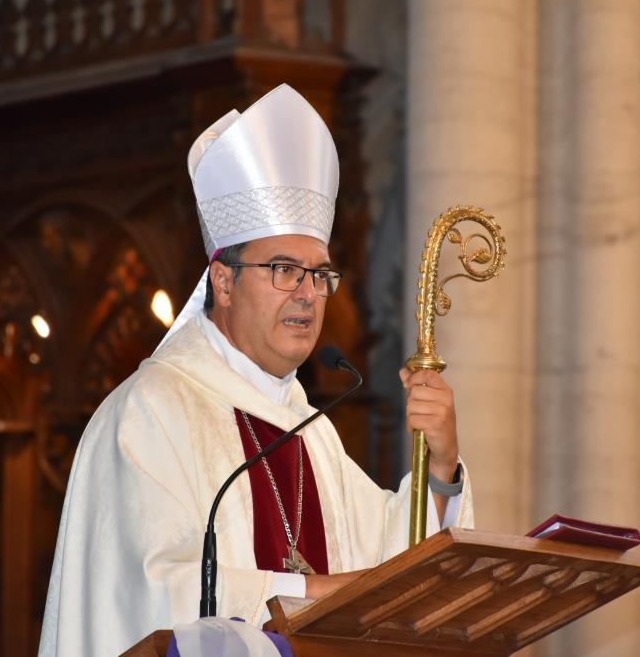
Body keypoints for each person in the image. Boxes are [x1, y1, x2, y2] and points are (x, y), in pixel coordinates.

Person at [37, 84, 473, 656]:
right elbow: (149, 590)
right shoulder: (152, 410)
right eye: (284, 269)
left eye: (319, 274)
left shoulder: (310, 431)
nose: (309, 294)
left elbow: (398, 577)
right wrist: (313, 593)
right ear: (222, 280)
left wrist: (439, 465)